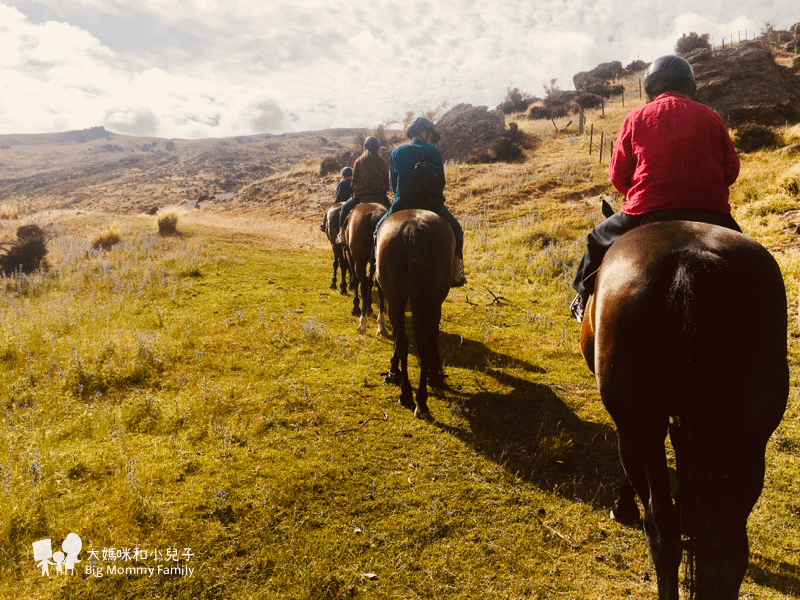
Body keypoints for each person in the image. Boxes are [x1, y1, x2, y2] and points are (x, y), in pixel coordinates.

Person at [570, 54, 741, 322]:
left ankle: (582, 298)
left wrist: (640, 192)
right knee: (749, 256)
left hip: (647, 209)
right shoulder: (711, 116)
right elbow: (731, 171)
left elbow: (617, 175)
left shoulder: (635, 117)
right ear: (689, 85)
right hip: (711, 212)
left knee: (596, 239)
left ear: (651, 87)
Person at [374, 117, 466, 287]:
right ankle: (456, 270)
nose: (431, 138)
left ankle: (379, 272)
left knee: (377, 230)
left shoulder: (396, 153)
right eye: (430, 134)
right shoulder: (434, 152)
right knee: (457, 231)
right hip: (432, 204)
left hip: (402, 203)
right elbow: (441, 182)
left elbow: (393, 186)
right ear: (423, 132)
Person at [335, 136, 391, 243]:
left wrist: (356, 188)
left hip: (361, 196)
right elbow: (386, 181)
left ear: (365, 147)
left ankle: (341, 234)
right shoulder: (382, 162)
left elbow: (354, 179)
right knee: (394, 212)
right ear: (378, 148)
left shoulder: (359, 161)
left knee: (344, 209)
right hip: (380, 196)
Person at [319, 167, 353, 231]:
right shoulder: (354, 182)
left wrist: (335, 203)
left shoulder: (342, 182)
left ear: (343, 175)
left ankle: (323, 225)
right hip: (352, 202)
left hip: (341, 201)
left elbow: (338, 194)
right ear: (352, 174)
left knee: (329, 211)